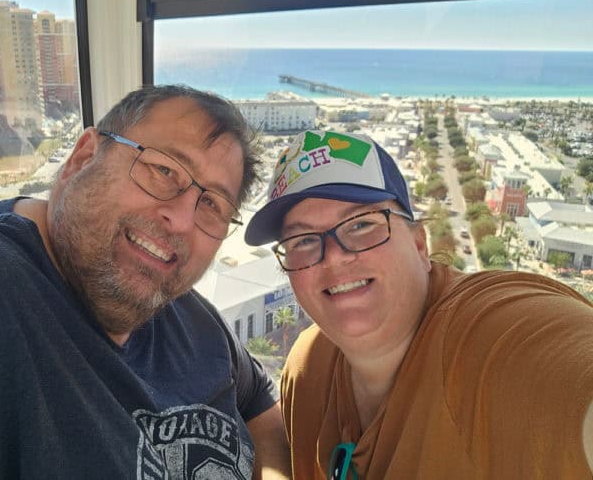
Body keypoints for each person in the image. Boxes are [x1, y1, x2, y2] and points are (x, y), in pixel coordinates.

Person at [0, 85, 290, 479]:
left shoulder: (180, 307)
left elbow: (258, 400)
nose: (181, 220)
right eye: (164, 170)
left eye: (212, 205)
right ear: (83, 157)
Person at [244, 128, 593, 479]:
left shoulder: (492, 335)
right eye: (303, 240)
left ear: (419, 246)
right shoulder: (306, 371)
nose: (334, 257)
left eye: (361, 224)